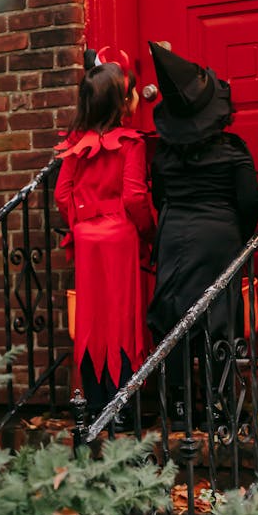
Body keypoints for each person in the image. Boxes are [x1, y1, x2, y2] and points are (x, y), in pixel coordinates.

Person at [146, 41, 258, 422]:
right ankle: (223, 406)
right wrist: (239, 237)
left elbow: (160, 196)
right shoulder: (234, 151)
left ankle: (178, 408)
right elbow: (249, 203)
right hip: (220, 236)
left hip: (175, 234)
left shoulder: (162, 154)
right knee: (219, 317)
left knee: (175, 316)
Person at [55, 61, 155, 421]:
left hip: (87, 239)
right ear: (121, 102)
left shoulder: (75, 145)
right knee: (122, 315)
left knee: (91, 316)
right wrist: (147, 230)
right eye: (131, 94)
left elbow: (62, 194)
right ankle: (123, 407)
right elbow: (134, 197)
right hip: (121, 238)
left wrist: (82, 223)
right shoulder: (131, 144)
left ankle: (96, 401)